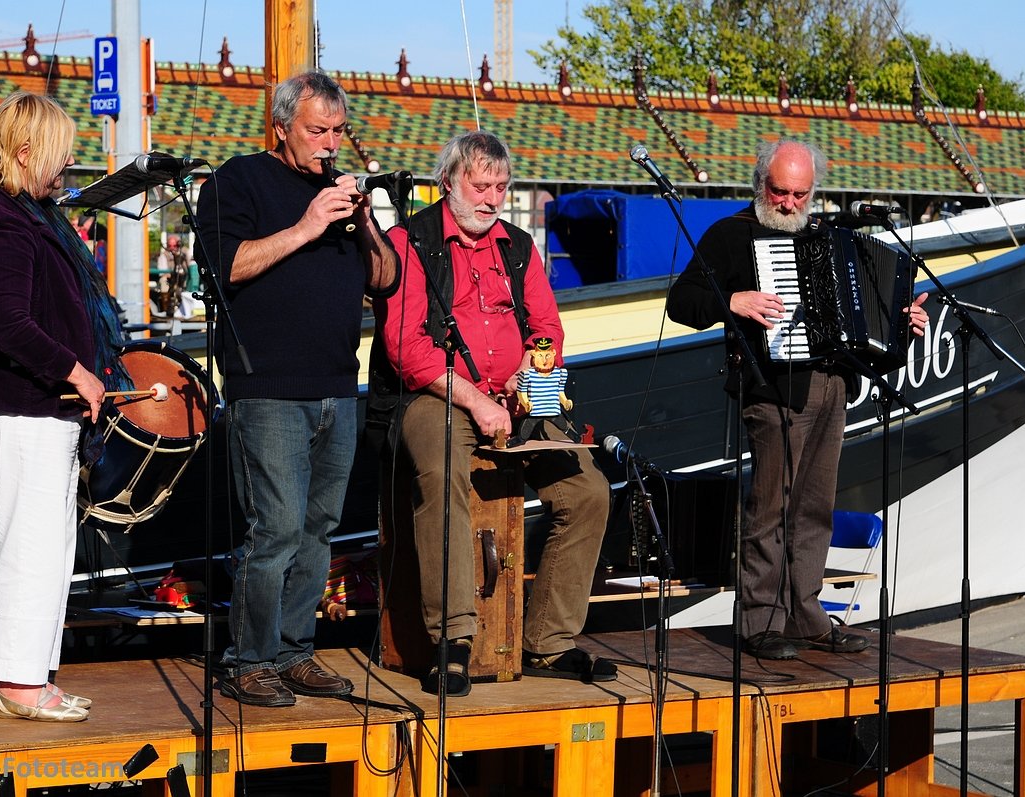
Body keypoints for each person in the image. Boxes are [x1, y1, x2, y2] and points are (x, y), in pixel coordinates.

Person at [372, 130, 615, 697]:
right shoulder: (408, 242)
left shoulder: (517, 244)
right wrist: (477, 399)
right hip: (435, 395)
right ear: (448, 183)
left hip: (513, 397)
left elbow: (548, 327)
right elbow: (407, 350)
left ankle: (550, 642)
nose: (492, 198)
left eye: (501, 187)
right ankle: (453, 638)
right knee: (441, 474)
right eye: (480, 186)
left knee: (589, 491)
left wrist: (529, 371)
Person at [666, 139, 929, 660]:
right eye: (780, 191)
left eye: (800, 194)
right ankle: (760, 620)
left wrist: (902, 326)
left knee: (814, 509)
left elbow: (864, 320)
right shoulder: (731, 235)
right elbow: (682, 301)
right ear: (761, 182)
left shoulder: (828, 236)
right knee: (769, 506)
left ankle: (806, 615)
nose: (788, 204)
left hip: (832, 387)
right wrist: (733, 300)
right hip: (773, 389)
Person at [195, 71, 398, 707]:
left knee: (319, 529)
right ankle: (248, 658)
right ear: (282, 127)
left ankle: (294, 651)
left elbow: (386, 280)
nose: (330, 143)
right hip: (269, 386)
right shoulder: (238, 180)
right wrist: (310, 224)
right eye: (317, 131)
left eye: (339, 131)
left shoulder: (341, 193)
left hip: (337, 383)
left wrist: (364, 220)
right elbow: (225, 265)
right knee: (275, 529)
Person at [0, 91, 130, 721]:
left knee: (49, 546)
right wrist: (76, 368)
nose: (67, 167)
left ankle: (30, 678)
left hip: (39, 405)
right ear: (26, 153)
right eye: (59, 156)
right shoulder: (0, 220)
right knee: (32, 544)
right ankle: (19, 684)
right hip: (21, 404)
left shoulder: (25, 215)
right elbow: (5, 320)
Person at [156, 234, 191, 317]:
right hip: (170, 278)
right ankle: (166, 308)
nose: (172, 247)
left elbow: (191, 264)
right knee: (163, 284)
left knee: (190, 283)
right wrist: (171, 275)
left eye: (175, 245)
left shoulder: (185, 252)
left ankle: (186, 308)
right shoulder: (164, 255)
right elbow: (162, 271)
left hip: (183, 277)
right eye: (170, 245)